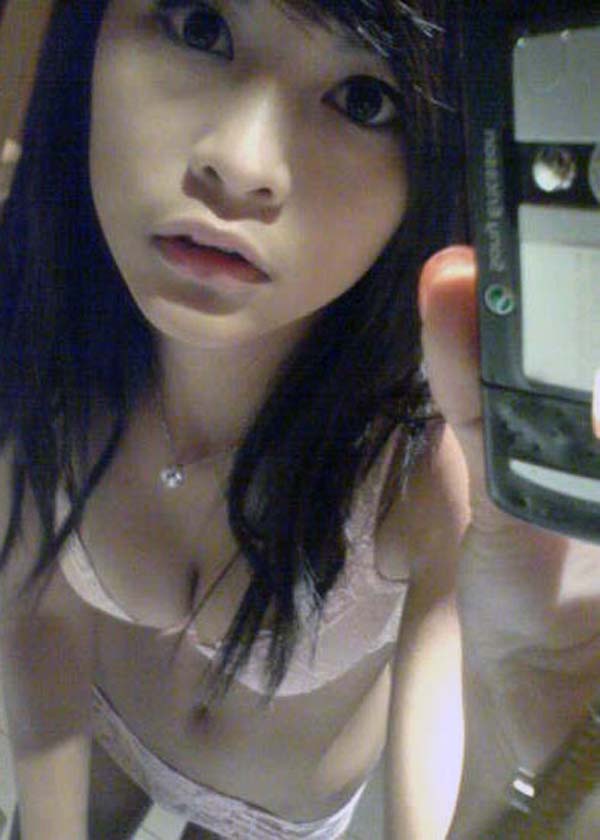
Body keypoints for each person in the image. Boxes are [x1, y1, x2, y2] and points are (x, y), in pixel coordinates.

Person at [0, 1, 598, 838]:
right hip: (102, 736)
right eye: (201, 27)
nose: (242, 164)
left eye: (364, 99)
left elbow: (443, 799)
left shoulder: (423, 466)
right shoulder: (42, 331)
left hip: (272, 814)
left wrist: (545, 749)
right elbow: (39, 609)